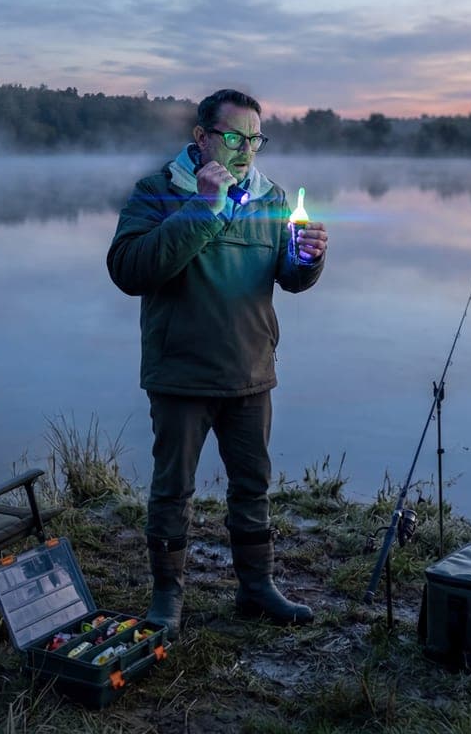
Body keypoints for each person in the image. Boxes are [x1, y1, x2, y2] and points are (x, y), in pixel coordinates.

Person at [106, 89, 328, 629]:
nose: (245, 149)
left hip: (250, 371)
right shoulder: (157, 192)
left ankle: (257, 588)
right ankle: (167, 597)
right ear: (201, 138)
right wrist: (203, 208)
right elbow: (129, 270)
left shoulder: (272, 198)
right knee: (171, 489)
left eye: (254, 139)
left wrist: (311, 260)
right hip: (180, 371)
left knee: (253, 486)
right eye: (233, 137)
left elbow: (289, 279)